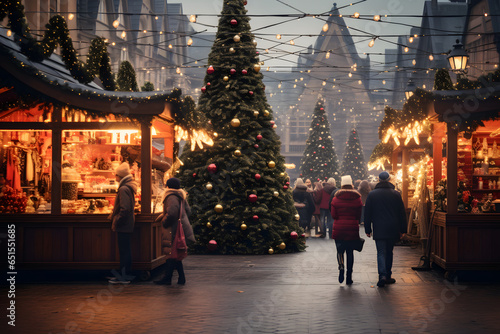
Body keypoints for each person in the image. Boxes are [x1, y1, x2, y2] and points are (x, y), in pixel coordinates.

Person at [364, 171, 407, 287]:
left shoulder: (372, 195)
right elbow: (402, 213)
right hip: (393, 227)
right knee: (389, 252)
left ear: (378, 180)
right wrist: (403, 229)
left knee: (381, 252)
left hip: (379, 228)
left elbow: (367, 213)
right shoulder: (396, 194)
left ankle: (382, 275)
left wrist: (368, 229)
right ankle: (388, 275)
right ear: (389, 180)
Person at [155, 177, 195, 285]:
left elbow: (172, 213)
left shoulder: (171, 196)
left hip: (172, 228)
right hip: (178, 226)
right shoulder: (180, 195)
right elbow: (188, 211)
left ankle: (167, 278)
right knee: (175, 253)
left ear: (168, 186)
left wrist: (164, 221)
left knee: (171, 252)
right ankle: (180, 278)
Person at [108, 162, 137, 284]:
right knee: (125, 250)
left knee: (124, 251)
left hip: (124, 225)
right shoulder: (128, 187)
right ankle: (124, 274)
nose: (115, 178)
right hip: (127, 224)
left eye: (116, 175)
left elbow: (125, 208)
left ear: (121, 176)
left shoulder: (124, 188)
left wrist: (117, 219)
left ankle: (124, 276)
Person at [330, 175, 362, 285]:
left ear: (341, 184)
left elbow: (334, 215)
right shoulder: (357, 198)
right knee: (350, 252)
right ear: (351, 184)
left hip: (339, 228)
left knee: (339, 250)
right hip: (352, 228)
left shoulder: (335, 198)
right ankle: (349, 277)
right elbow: (359, 215)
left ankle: (341, 267)